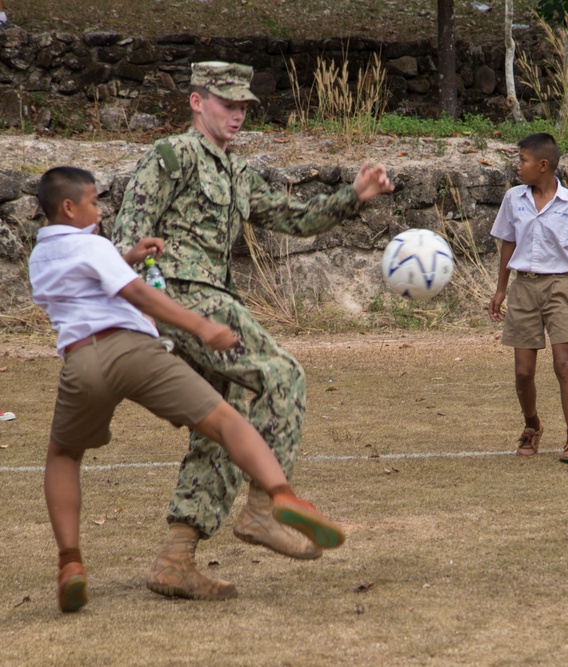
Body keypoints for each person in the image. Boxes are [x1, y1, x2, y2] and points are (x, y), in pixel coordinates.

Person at [111, 61, 394, 600]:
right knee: (282, 374)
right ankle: (264, 508)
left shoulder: (238, 173)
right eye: (227, 104)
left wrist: (355, 195)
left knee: (222, 421)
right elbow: (130, 234)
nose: (237, 115)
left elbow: (296, 218)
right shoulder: (172, 155)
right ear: (197, 102)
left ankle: (176, 558)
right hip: (184, 297)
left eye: (243, 106)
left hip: (211, 301)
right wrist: (146, 309)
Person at [30, 166, 347, 613]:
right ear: (69, 206)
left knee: (63, 456)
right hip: (135, 352)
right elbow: (138, 296)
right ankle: (280, 496)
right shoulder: (92, 243)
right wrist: (201, 325)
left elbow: (85, 284)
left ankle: (70, 563)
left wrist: (127, 258)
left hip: (81, 362)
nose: (100, 211)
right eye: (93, 202)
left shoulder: (41, 255)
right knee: (226, 420)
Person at [488, 133, 568, 464]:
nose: (518, 166)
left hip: (559, 287)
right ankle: (532, 426)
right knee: (523, 371)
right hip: (523, 288)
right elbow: (508, 243)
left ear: (543, 165)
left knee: (563, 363)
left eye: (523, 160)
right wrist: (501, 289)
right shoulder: (514, 199)